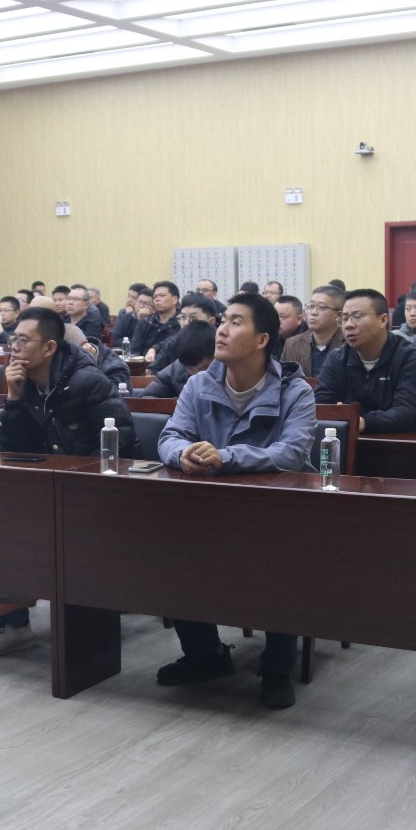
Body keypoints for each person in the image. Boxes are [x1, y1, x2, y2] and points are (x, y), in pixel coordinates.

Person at [155, 293, 316, 709]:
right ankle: (205, 655)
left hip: (276, 512)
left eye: (235, 322)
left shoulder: (295, 391)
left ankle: (277, 667)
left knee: (279, 560)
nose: (222, 330)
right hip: (210, 509)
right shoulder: (198, 384)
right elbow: (170, 436)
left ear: (262, 339)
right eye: (222, 320)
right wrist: (182, 454)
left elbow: (291, 454)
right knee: (171, 548)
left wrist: (225, 457)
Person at [0, 307, 137, 657]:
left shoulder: (89, 381)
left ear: (49, 348)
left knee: (42, 525)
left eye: (23, 341)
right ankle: (14, 623)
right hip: (51, 486)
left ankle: (35, 603)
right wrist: (14, 399)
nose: (14, 348)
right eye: (13, 340)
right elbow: (15, 453)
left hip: (98, 491)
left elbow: (122, 442)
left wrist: (74, 483)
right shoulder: (24, 382)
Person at [315, 289, 416, 433]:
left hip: (398, 442)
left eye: (357, 316)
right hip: (345, 440)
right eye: (344, 318)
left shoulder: (409, 358)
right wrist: (337, 413)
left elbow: (408, 411)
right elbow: (320, 405)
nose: (348, 325)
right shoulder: (337, 359)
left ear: (383, 320)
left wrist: (363, 422)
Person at [281, 285, 345, 378]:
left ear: (339, 315)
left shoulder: (350, 344)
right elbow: (284, 380)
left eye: (321, 307)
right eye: (311, 306)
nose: (313, 312)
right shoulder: (292, 344)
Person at [141, 319, 214, 399]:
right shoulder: (175, 371)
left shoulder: (224, 371)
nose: (197, 374)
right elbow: (147, 397)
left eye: (204, 368)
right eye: (190, 369)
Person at [132, 281, 180, 359]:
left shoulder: (183, 322)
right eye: (155, 297)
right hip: (145, 363)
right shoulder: (144, 322)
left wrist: (154, 349)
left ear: (175, 299)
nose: (157, 299)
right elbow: (134, 351)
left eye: (162, 296)